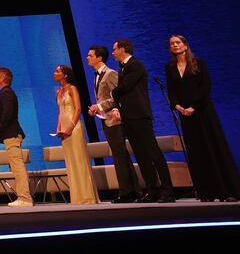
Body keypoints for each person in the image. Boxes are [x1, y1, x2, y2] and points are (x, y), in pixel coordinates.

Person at [165, 35, 240, 202]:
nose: (175, 45)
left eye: (178, 42)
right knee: (196, 152)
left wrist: (194, 106)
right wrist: (177, 106)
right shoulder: (170, 67)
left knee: (213, 147)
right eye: (172, 44)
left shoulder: (198, 63)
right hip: (185, 114)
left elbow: (205, 88)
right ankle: (207, 192)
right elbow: (171, 90)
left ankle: (228, 190)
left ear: (185, 45)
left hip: (203, 112)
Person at [110, 39, 175, 203]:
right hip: (128, 116)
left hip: (139, 115)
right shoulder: (123, 68)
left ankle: (167, 190)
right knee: (140, 154)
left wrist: (114, 92)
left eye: (114, 49)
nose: (113, 53)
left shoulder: (136, 65)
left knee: (153, 152)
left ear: (123, 49)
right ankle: (152, 190)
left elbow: (125, 87)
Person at [86, 45, 140, 203]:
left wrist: (100, 106)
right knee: (121, 155)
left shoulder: (110, 73)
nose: (87, 58)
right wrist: (97, 109)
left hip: (115, 119)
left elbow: (117, 95)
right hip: (106, 119)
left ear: (99, 58)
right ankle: (133, 191)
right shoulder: (97, 75)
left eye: (90, 55)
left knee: (119, 155)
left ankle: (126, 192)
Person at [53, 65, 99, 204]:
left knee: (79, 160)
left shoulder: (72, 88)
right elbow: (60, 112)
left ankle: (87, 197)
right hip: (64, 130)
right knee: (71, 162)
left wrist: (70, 127)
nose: (54, 73)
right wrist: (59, 129)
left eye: (57, 71)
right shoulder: (59, 91)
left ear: (65, 75)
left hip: (74, 128)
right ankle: (77, 197)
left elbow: (78, 109)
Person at [0, 66, 33, 207]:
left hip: (11, 134)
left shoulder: (6, 93)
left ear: (2, 78)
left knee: (17, 166)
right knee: (16, 166)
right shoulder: (5, 93)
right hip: (10, 135)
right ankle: (23, 197)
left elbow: (7, 114)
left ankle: (25, 198)